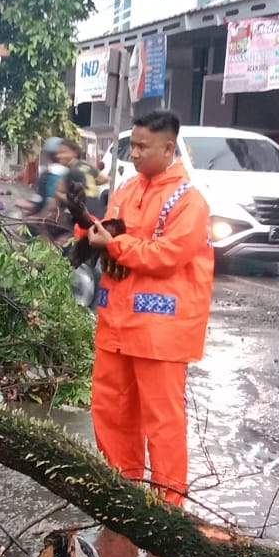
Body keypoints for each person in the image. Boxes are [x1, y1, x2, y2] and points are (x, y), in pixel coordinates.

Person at [80, 110, 214, 506]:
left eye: (142, 146)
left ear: (168, 148)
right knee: (110, 410)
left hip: (161, 333)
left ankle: (167, 512)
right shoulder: (125, 192)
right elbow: (108, 233)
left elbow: (167, 256)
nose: (134, 154)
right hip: (117, 326)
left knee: (162, 423)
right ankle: (124, 499)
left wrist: (114, 244)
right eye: (131, 146)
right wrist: (82, 229)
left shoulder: (188, 201)